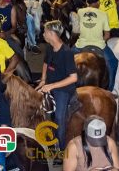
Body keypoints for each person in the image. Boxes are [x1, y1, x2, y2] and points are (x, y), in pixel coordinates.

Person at [38, 20, 78, 149]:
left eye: (45, 32)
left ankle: (61, 149)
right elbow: (45, 63)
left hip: (63, 90)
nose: (43, 34)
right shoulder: (50, 48)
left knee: (59, 119)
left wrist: (51, 86)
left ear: (51, 33)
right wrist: (43, 80)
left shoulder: (67, 52)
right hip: (49, 85)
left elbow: (73, 78)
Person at [74, 0, 118, 91]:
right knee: (113, 63)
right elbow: (107, 35)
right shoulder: (103, 14)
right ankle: (110, 90)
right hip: (99, 46)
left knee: (65, 63)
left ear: (86, 2)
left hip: (80, 45)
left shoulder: (80, 12)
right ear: (98, 3)